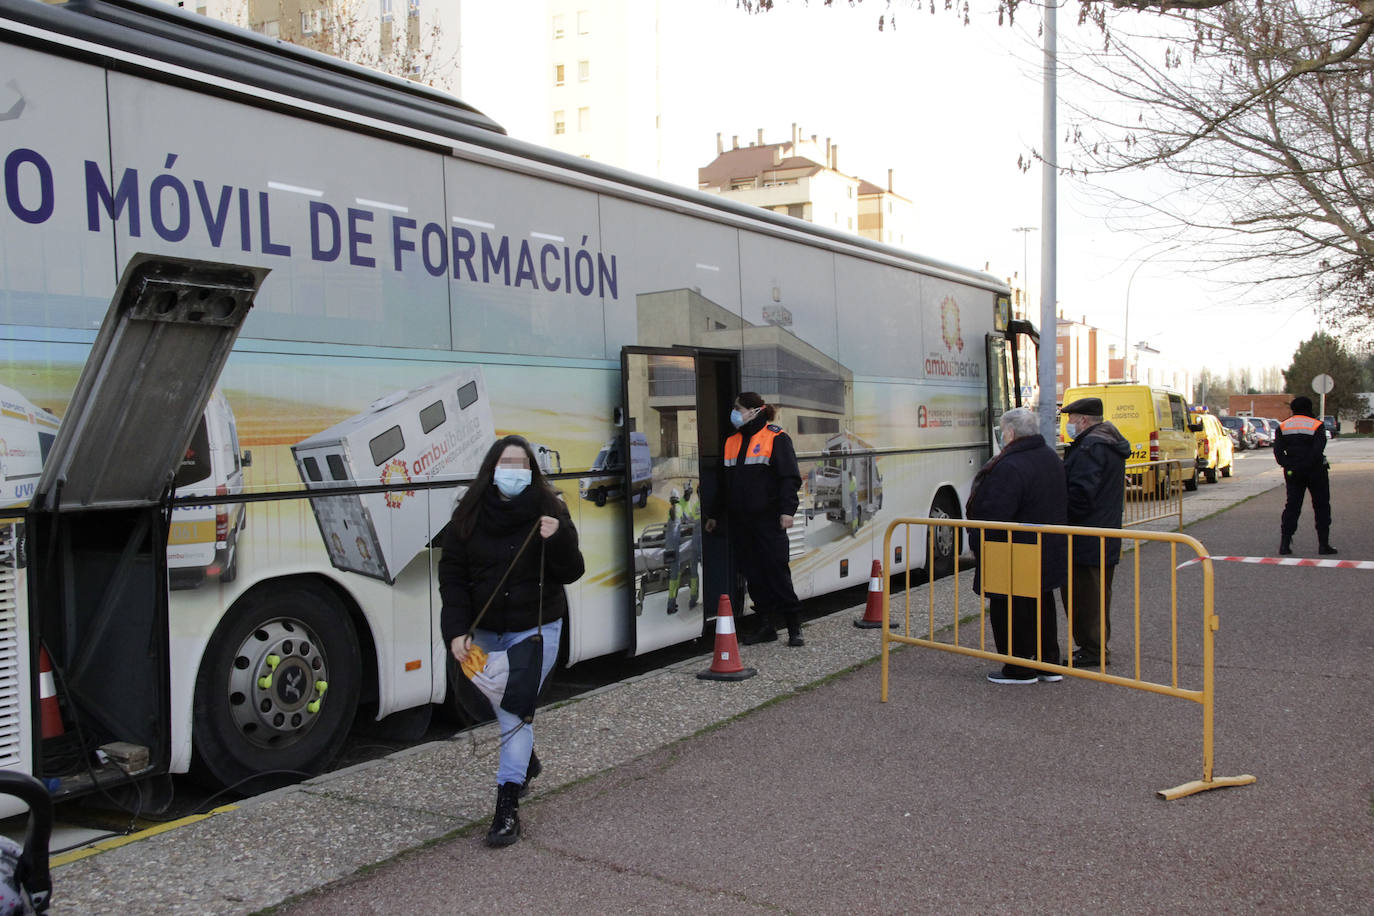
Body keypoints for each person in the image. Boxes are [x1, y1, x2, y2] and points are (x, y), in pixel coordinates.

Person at [439, 435, 585, 847]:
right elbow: (452, 577)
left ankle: (507, 810)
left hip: (536, 628)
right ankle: (527, 761)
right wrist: (455, 630)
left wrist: (557, 538)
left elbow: (572, 571)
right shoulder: (467, 514)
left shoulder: (551, 508)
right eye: (507, 463)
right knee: (490, 703)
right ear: (491, 468)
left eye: (522, 464)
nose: (514, 471)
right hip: (484, 631)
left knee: (514, 711)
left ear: (532, 471)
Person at [966, 407, 1067, 685]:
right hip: (1047, 548)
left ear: (1009, 432)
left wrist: (978, 542)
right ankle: (1049, 665)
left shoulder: (1009, 465)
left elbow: (992, 513)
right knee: (1043, 604)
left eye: (1002, 429)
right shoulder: (1050, 458)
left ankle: (1019, 668)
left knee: (1009, 610)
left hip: (1012, 551)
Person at [703, 392, 805, 647]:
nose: (735, 413)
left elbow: (789, 479)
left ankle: (794, 628)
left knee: (777, 572)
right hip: (741, 523)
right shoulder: (731, 441)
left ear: (754, 410)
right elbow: (724, 486)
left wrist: (787, 511)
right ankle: (766, 626)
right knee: (754, 575)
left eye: (738, 408)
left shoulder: (776, 437)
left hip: (768, 521)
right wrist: (715, 515)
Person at [1059, 396, 1130, 668]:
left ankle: (1093, 650)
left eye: (1071, 419)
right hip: (1103, 533)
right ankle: (1095, 646)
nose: (1068, 424)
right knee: (1098, 595)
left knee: (1085, 597)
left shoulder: (1090, 447)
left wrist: (1063, 515)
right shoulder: (1108, 443)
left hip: (1085, 536)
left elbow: (1080, 494)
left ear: (1084, 420)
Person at [1274, 396, 1336, 555]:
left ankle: (1285, 544)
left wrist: (1289, 465)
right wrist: (1306, 464)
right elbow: (1318, 450)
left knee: (1292, 506)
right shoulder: (1317, 425)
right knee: (1321, 505)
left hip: (1293, 473)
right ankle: (1323, 545)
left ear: (1293, 409)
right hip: (1315, 471)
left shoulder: (1283, 426)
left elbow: (1278, 452)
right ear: (1309, 408)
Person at [664, 489, 698, 614]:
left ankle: (671, 603)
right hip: (675, 549)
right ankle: (670, 605)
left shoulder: (670, 511)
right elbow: (689, 521)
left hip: (668, 547)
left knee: (674, 575)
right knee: (674, 576)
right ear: (678, 499)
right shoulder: (679, 508)